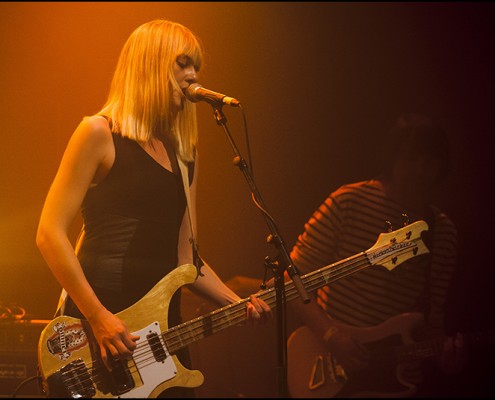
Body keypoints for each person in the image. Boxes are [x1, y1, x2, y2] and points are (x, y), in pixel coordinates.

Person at [36, 19, 271, 398]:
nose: (192, 74)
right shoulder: (99, 133)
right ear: (150, 64)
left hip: (163, 335)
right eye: (182, 63)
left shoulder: (185, 153)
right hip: (103, 330)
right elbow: (49, 233)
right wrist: (98, 317)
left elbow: (186, 260)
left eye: (195, 65)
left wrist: (236, 303)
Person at [287, 113, 466, 397]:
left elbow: (431, 322)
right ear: (394, 157)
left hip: (384, 379)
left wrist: (443, 357)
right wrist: (332, 336)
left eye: (430, 162)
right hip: (325, 360)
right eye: (411, 159)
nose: (421, 170)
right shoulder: (348, 201)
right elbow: (291, 281)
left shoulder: (442, 231)